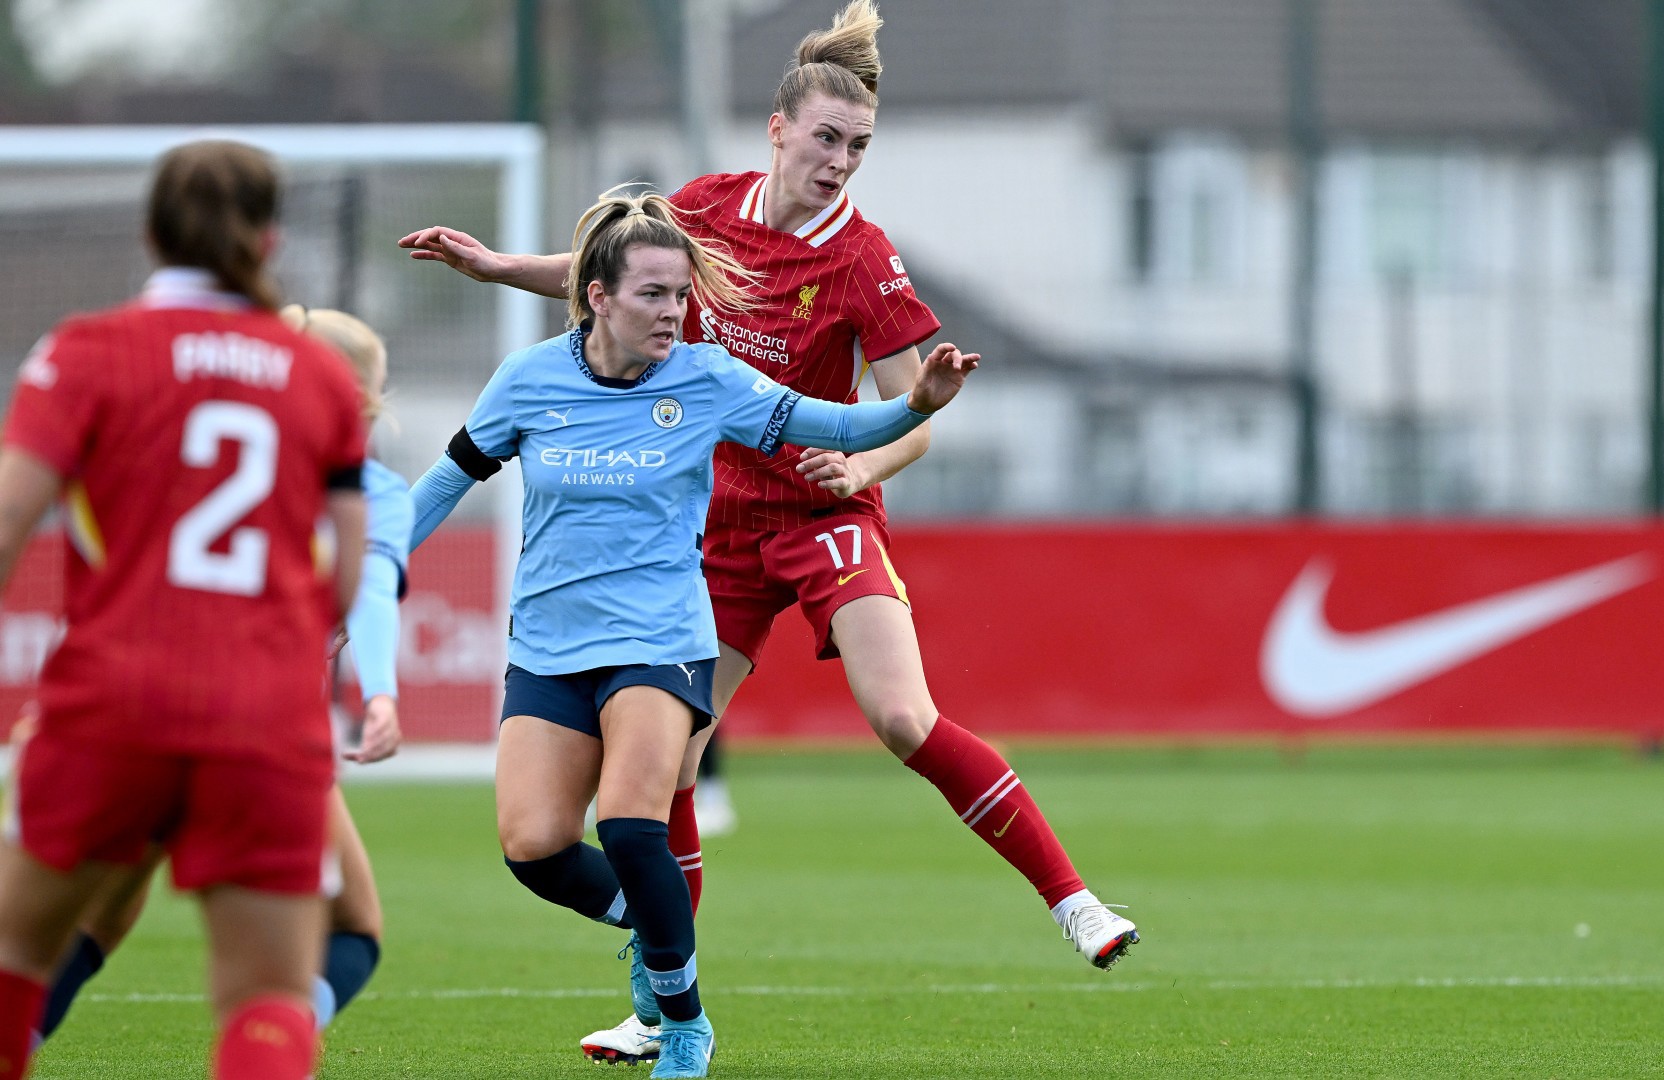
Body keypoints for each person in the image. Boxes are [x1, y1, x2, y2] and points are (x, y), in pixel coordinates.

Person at [399, 0, 1136, 1060]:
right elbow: (614, 280)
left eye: (860, 147)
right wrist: (496, 269)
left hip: (824, 513)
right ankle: (661, 1004)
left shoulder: (865, 261)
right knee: (666, 772)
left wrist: (872, 459)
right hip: (719, 527)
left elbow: (909, 414)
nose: (841, 162)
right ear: (779, 131)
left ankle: (1074, 901)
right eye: (827, 139)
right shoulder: (702, 210)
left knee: (900, 717)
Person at [407, 188, 976, 1079]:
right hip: (549, 646)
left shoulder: (708, 380)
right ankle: (658, 929)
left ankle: (682, 1026)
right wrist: (375, 569)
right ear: (597, 296)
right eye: (652, 296)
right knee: (534, 847)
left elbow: (835, 423)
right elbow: (445, 483)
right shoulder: (529, 379)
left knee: (633, 827)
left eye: (681, 295)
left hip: (661, 639)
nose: (674, 313)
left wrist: (919, 406)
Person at [0, 140, 368, 1080]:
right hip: (261, 713)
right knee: (269, 1001)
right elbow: (344, 580)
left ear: (149, 233)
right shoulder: (319, 375)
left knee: (16, 965)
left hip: (111, 700)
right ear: (270, 239)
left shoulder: (85, 352)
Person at [16, 304, 413, 1051]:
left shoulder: (177, 433)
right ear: (357, 394)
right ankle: (274, 1048)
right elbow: (370, 588)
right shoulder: (361, 484)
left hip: (121, 708)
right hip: (251, 720)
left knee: (85, 919)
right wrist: (381, 688)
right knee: (351, 928)